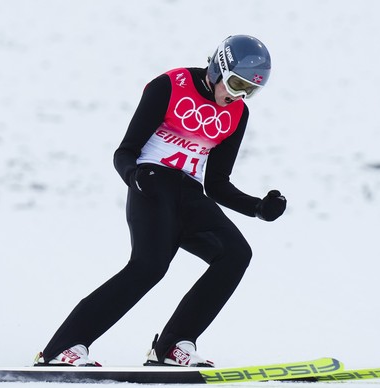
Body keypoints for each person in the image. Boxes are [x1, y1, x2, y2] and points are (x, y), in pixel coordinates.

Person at [34, 34, 287, 368]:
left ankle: (172, 347)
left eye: (249, 90)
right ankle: (60, 350)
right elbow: (124, 152)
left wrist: (257, 208)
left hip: (191, 195)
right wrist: (134, 176)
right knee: (149, 267)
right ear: (218, 69)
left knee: (236, 254)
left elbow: (217, 185)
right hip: (153, 185)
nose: (238, 96)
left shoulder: (237, 114)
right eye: (236, 84)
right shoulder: (169, 86)